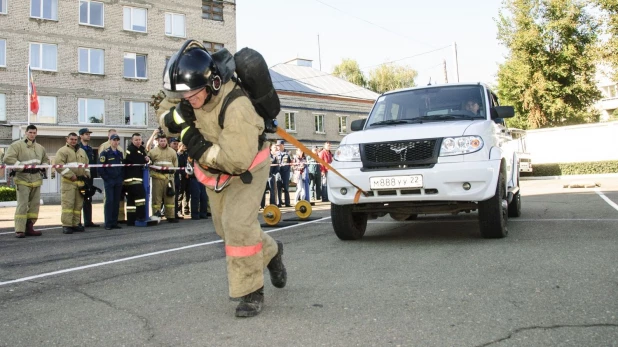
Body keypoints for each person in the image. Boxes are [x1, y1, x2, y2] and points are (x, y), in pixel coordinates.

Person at [158, 40, 286, 317]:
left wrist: (190, 139)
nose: (186, 101)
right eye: (182, 97)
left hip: (246, 166)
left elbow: (235, 161)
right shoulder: (186, 87)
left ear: (212, 83)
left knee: (237, 225)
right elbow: (163, 112)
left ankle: (251, 292)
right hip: (214, 172)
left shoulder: (237, 106)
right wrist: (175, 119)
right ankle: (272, 251)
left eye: (192, 96)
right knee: (224, 229)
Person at [3, 125, 49, 238]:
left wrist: (44, 166)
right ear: (26, 133)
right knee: (22, 205)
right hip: (22, 178)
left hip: (36, 179)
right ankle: (19, 230)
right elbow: (7, 158)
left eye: (34, 132)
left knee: (34, 206)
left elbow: (46, 160)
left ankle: (30, 227)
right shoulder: (16, 145)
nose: (32, 134)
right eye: (30, 132)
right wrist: (22, 167)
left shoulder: (40, 147)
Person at [55, 132, 90, 234]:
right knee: (68, 204)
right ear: (67, 139)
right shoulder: (62, 151)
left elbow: (86, 164)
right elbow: (59, 165)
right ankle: (66, 225)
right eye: (71, 139)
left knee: (78, 205)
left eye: (75, 139)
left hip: (80, 182)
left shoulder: (82, 151)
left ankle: (75, 224)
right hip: (68, 182)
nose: (74, 141)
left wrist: (87, 175)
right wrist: (71, 175)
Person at [148, 134, 178, 223]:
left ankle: (170, 216)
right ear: (158, 141)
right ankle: (156, 216)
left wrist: (173, 172)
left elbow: (175, 164)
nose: (163, 142)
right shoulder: (153, 152)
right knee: (157, 198)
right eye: (161, 141)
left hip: (169, 178)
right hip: (157, 178)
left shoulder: (172, 152)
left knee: (170, 197)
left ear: (167, 141)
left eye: (164, 141)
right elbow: (149, 164)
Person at [98, 129, 126, 223]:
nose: (116, 142)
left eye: (117, 140)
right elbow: (101, 168)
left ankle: (114, 222)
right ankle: (108, 223)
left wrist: (121, 178)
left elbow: (122, 167)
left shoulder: (120, 153)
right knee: (109, 202)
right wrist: (107, 179)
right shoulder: (105, 153)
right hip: (109, 181)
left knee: (116, 202)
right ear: (110, 141)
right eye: (114, 140)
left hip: (118, 181)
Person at [123, 133, 150, 226]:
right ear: (132, 141)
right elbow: (136, 160)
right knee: (140, 198)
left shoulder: (141, 149)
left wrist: (147, 158)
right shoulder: (130, 149)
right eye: (136, 140)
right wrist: (145, 159)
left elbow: (147, 158)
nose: (138, 142)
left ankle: (131, 220)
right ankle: (140, 217)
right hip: (132, 178)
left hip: (138, 177)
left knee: (131, 201)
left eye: (139, 139)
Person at [77, 128, 99, 228]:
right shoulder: (77, 148)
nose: (88, 136)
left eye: (89, 134)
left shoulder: (90, 149)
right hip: (81, 177)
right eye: (86, 134)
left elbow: (93, 165)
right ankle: (77, 222)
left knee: (88, 199)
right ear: (81, 136)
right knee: (78, 200)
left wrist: (95, 178)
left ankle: (88, 221)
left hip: (90, 177)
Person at [169, 137, 184, 219]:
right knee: (170, 197)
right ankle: (170, 214)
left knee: (177, 196)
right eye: (174, 143)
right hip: (169, 177)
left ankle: (175, 213)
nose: (176, 145)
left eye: (177, 144)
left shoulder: (179, 155)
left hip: (177, 178)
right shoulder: (169, 153)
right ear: (170, 144)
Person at [276, 140, 292, 207]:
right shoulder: (276, 154)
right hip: (278, 173)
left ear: (282, 145)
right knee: (278, 188)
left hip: (286, 172)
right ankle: (279, 203)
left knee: (286, 188)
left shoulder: (288, 153)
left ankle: (287, 203)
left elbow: (292, 162)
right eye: (277, 146)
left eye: (279, 146)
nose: (278, 147)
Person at [177, 142, 191, 216]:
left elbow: (188, 164)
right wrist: (184, 174)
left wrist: (188, 173)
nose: (185, 147)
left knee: (187, 194)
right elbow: (178, 166)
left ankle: (186, 209)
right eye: (183, 145)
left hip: (188, 176)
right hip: (181, 177)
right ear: (179, 146)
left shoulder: (186, 155)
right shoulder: (178, 155)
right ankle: (179, 210)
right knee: (180, 194)